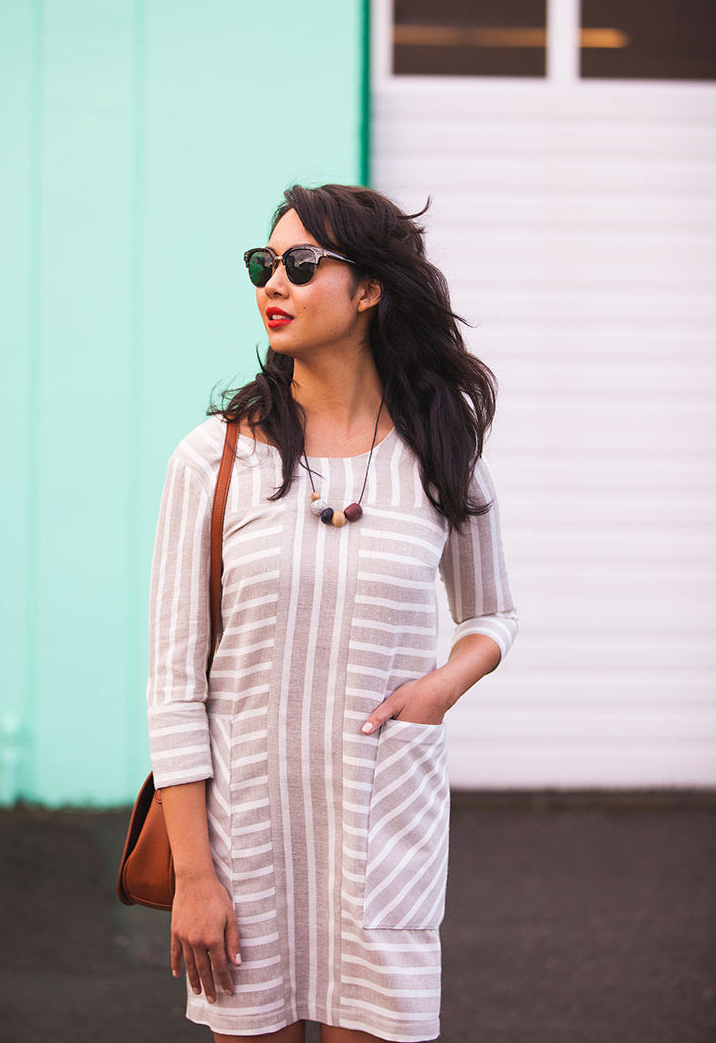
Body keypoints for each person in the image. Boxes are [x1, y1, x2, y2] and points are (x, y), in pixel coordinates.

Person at [146, 182, 519, 1043]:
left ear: (370, 289)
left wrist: (440, 687)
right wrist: (196, 878)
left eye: (302, 264)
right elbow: (173, 687)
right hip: (245, 856)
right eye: (263, 264)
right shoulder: (213, 459)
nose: (273, 283)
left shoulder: (440, 455)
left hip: (383, 841)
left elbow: (492, 614)